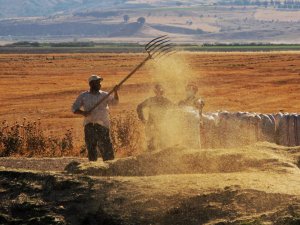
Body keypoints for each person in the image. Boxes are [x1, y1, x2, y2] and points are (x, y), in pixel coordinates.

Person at [72, 75, 119, 161]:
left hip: (103, 125)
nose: (100, 85)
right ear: (91, 84)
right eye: (97, 83)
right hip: (89, 125)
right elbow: (74, 108)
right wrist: (83, 112)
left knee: (106, 148)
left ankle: (110, 167)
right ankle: (93, 167)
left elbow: (115, 103)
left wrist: (115, 92)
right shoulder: (84, 96)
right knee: (91, 148)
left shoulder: (104, 95)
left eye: (99, 83)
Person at [137, 84, 173, 151]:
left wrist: (170, 120)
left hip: (162, 126)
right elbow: (139, 107)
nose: (159, 92)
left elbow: (175, 109)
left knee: (163, 145)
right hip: (152, 126)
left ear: (162, 92)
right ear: (155, 91)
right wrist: (143, 119)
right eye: (157, 90)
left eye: (160, 90)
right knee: (152, 144)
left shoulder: (166, 101)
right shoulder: (151, 100)